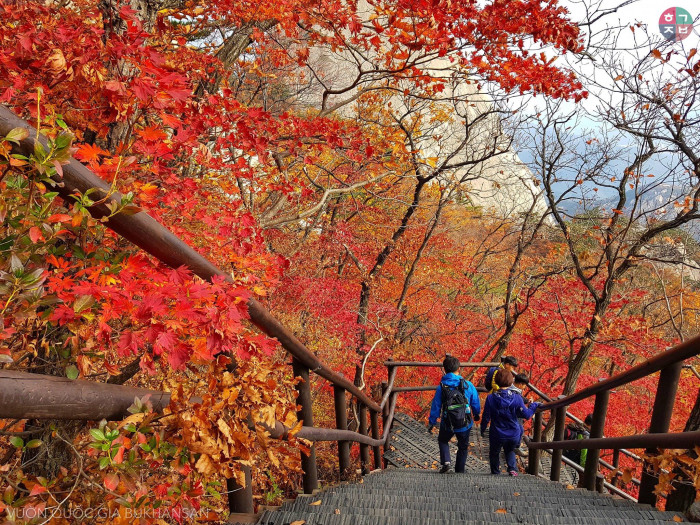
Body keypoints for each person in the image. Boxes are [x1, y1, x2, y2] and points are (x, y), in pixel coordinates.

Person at [481, 369, 540, 476]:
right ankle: (512, 470)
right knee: (510, 450)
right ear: (510, 381)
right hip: (513, 432)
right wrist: (534, 405)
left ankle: (495, 472)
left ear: (497, 381)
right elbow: (527, 415)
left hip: (496, 433)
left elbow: (486, 417)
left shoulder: (490, 398)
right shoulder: (517, 398)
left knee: (494, 453)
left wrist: (482, 429)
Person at [428, 355, 481, 474]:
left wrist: (432, 422)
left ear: (445, 369)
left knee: (443, 440)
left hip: (448, 422)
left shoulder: (441, 387)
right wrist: (477, 414)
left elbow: (436, 406)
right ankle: (460, 470)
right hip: (465, 422)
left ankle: (446, 463)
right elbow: (475, 401)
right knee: (463, 446)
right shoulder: (467, 385)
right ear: (459, 369)